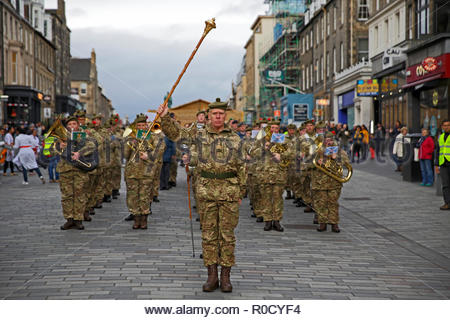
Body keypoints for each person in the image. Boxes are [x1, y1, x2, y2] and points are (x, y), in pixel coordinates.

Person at [159, 98, 245, 293]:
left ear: (225, 116)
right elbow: (177, 134)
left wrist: (242, 190)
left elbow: (242, 166)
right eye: (214, 114)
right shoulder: (198, 133)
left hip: (229, 191)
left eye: (221, 114)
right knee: (208, 234)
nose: (218, 117)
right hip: (206, 190)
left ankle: (226, 276)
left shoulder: (234, 138)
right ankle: (212, 274)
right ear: (209, 116)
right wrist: (165, 117)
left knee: (227, 236)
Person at [54, 116, 95, 230]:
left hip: (79, 170)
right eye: (70, 124)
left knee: (80, 195)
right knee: (67, 195)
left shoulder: (83, 135)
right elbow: (52, 150)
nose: (72, 126)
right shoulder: (61, 136)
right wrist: (59, 146)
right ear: (67, 126)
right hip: (65, 169)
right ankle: (69, 219)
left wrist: (80, 152)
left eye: (74, 124)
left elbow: (92, 146)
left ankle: (78, 219)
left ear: (78, 125)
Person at [124, 114, 157, 229]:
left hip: (146, 172)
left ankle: (144, 220)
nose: (141, 127)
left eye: (143, 125)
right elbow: (125, 155)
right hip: (132, 172)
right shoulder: (131, 137)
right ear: (136, 127)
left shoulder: (152, 136)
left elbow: (160, 150)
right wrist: (130, 144)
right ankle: (136, 219)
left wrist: (149, 155)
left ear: (146, 126)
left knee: (145, 196)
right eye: (139, 125)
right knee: (133, 197)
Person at [436, 120, 450, 210]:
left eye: (448, 125)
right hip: (443, 164)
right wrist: (436, 165)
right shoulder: (440, 137)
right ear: (442, 127)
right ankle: (447, 203)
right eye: (444, 125)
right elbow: (437, 151)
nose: (446, 127)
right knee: (445, 185)